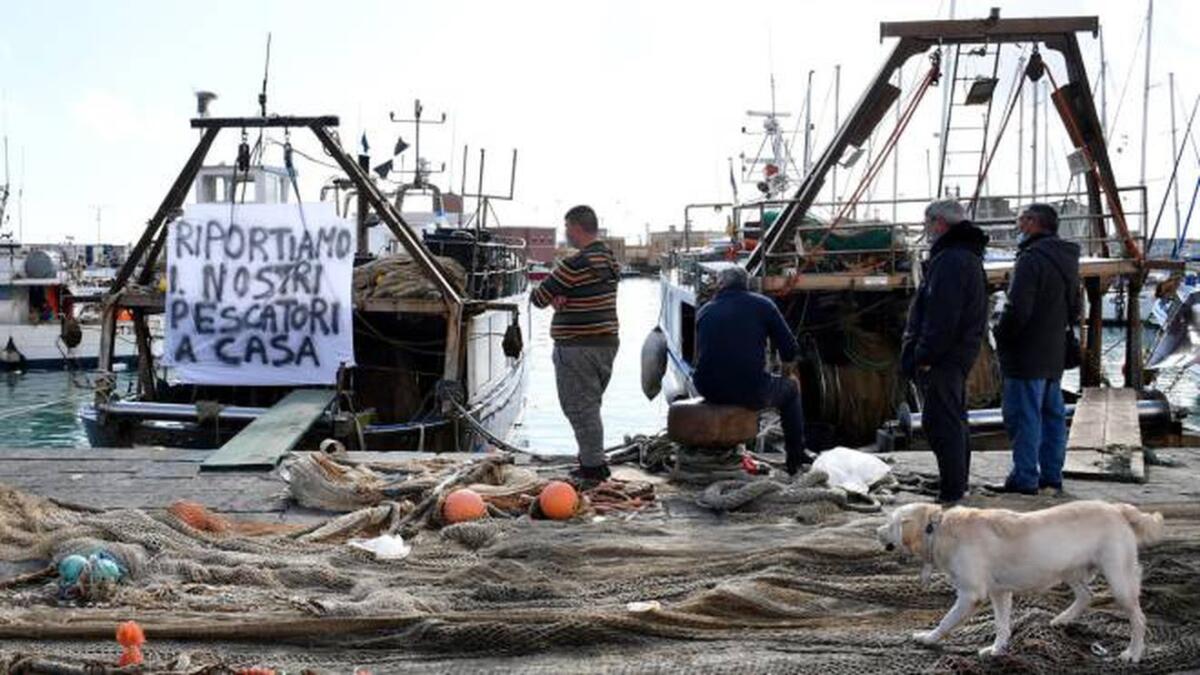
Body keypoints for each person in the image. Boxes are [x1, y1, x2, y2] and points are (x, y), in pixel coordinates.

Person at [901, 200, 989, 504]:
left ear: (939, 223)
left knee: (941, 423)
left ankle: (952, 492)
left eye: (927, 223)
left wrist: (924, 355)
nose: (925, 229)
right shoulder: (967, 256)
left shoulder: (951, 260)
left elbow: (942, 316)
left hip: (943, 358)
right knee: (953, 419)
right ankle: (956, 485)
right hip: (958, 354)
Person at [991, 203, 1080, 496]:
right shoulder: (1067, 258)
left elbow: (1018, 308)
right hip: (1053, 352)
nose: (1018, 225)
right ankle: (1052, 476)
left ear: (1032, 222)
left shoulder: (1031, 259)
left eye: (1020, 220)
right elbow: (1075, 307)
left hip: (1026, 354)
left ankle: (1025, 477)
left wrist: (1000, 334)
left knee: (1024, 416)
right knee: (1053, 417)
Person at [531, 205, 621, 486]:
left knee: (580, 407)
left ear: (576, 227)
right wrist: (562, 294)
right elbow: (583, 291)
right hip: (606, 343)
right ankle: (591, 459)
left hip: (577, 346)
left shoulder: (574, 264)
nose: (566, 233)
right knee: (590, 405)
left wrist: (556, 296)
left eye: (567, 227)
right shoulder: (609, 260)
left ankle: (593, 468)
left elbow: (538, 298)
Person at [692, 266, 809, 475]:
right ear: (747, 284)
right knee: (791, 391)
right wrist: (786, 369)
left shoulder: (705, 310)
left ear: (720, 285)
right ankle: (795, 458)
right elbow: (790, 349)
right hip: (749, 390)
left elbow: (701, 354)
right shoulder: (763, 304)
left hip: (707, 388)